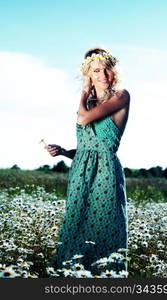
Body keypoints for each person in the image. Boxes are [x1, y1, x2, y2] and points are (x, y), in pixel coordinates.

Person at [45, 47, 130, 272]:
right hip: (80, 172)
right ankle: (70, 277)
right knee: (75, 225)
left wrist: (84, 90)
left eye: (107, 69)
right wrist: (64, 151)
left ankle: (107, 278)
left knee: (103, 225)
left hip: (105, 173)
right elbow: (87, 147)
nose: (102, 75)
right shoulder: (90, 102)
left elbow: (83, 120)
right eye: (96, 71)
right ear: (89, 73)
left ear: (114, 71)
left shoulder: (120, 95)